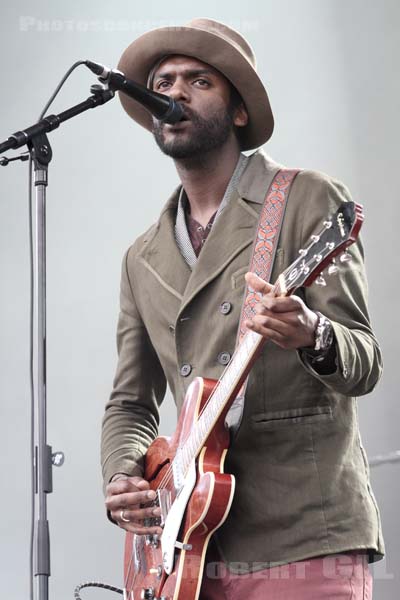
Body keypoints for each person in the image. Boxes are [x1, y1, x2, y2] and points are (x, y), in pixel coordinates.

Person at [101, 18, 384, 599]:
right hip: (187, 550)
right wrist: (126, 475)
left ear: (237, 111)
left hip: (304, 533)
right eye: (164, 81)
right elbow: (130, 402)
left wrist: (311, 333)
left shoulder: (306, 198)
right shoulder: (140, 257)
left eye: (198, 80)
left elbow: (365, 359)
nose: (174, 92)